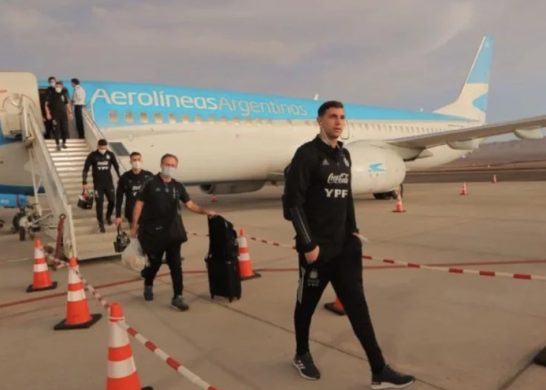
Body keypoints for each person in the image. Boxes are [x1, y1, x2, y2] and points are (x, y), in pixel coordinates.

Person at [284, 100, 415, 389]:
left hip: (344, 248)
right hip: (317, 250)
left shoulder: (344, 156)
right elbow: (292, 204)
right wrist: (308, 245)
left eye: (342, 117)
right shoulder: (306, 155)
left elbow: (346, 199)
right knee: (305, 306)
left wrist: (354, 232)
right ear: (319, 121)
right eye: (332, 116)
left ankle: (379, 370)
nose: (338, 121)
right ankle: (301, 353)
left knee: (358, 307)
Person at [130, 153, 215, 311]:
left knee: (175, 264)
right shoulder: (150, 183)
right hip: (153, 232)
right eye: (166, 164)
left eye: (172, 165)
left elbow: (190, 204)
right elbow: (139, 205)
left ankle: (178, 296)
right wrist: (134, 226)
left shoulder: (178, 186)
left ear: (176, 167)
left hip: (173, 232)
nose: (169, 167)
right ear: (161, 165)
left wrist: (204, 211)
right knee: (154, 263)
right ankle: (148, 282)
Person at [82, 139, 120, 232]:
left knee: (112, 201)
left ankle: (108, 217)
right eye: (101, 147)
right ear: (98, 146)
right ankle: (101, 223)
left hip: (109, 183)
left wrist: (120, 177)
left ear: (106, 146)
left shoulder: (110, 154)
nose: (103, 149)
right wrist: (84, 181)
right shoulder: (92, 155)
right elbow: (85, 169)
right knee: (99, 203)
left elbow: (116, 166)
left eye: (104, 147)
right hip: (98, 185)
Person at [115, 152, 153, 226]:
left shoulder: (149, 175)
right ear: (130, 161)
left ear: (141, 160)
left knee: (147, 236)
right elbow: (119, 197)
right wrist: (118, 215)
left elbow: (155, 194)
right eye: (134, 160)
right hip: (131, 212)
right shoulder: (124, 177)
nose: (136, 162)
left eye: (138, 159)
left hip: (147, 212)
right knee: (134, 235)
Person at [45, 81, 72, 151]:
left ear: (62, 87)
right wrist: (48, 113)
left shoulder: (64, 94)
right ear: (55, 87)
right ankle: (57, 144)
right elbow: (46, 105)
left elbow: (67, 104)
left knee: (65, 130)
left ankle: (63, 143)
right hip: (55, 116)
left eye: (59, 86)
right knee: (57, 130)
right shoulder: (52, 94)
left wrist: (70, 113)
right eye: (57, 86)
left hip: (63, 116)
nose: (58, 88)